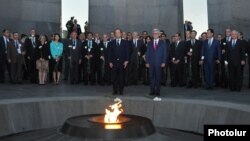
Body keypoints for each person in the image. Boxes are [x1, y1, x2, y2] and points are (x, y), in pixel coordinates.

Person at [108, 28, 129, 95]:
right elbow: (109, 53)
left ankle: (121, 91)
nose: (117, 34)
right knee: (114, 78)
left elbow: (127, 53)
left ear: (121, 34)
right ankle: (115, 91)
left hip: (122, 63)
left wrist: (126, 61)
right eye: (116, 33)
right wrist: (110, 62)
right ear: (114, 34)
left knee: (121, 78)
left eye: (118, 32)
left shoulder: (125, 42)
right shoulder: (111, 43)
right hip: (114, 63)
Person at [145, 29, 167, 96]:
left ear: (159, 34)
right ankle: (152, 91)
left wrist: (163, 62)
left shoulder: (162, 43)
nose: (155, 35)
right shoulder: (149, 43)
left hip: (159, 63)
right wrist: (147, 62)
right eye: (154, 34)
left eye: (156, 33)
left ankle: (157, 91)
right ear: (152, 35)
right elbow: (147, 53)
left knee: (158, 77)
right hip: (151, 63)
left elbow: (164, 53)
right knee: (151, 77)